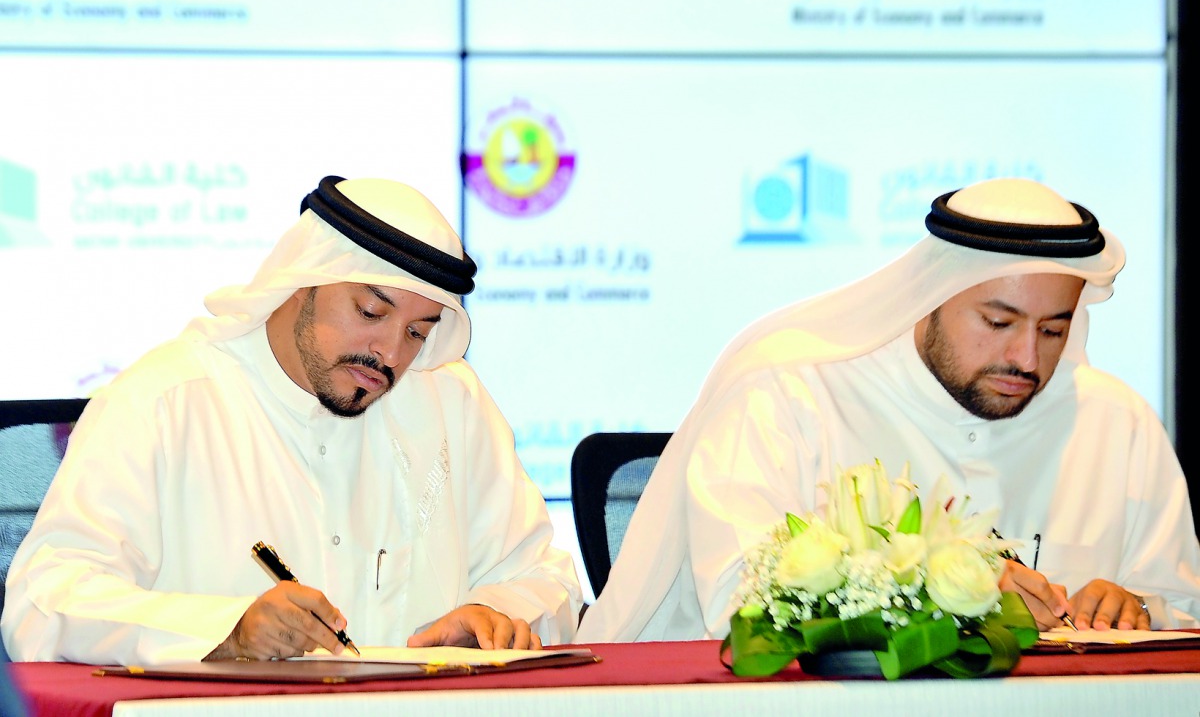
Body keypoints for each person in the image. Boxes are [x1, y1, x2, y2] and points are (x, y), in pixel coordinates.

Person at [577, 177, 1200, 643]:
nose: (1027, 359)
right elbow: (739, 601)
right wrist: (949, 596)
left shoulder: (1118, 425)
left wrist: (1135, 607)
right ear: (930, 297)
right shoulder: (789, 393)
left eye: (1054, 329)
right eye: (998, 322)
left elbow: (1181, 607)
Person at [0, 175, 582, 664]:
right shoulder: (167, 402)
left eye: (417, 332)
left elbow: (545, 578)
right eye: (371, 311)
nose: (391, 355)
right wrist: (226, 632)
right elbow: (45, 599)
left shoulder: (449, 403)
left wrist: (498, 615)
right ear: (303, 280)